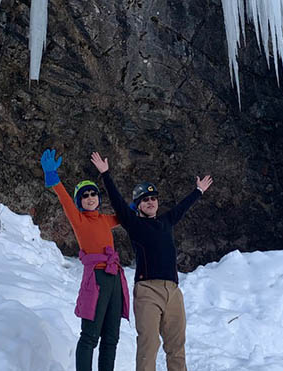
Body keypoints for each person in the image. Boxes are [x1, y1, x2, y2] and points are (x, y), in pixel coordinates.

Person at [89, 151, 213, 371]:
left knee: (176, 346)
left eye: (153, 198)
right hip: (147, 290)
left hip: (173, 290)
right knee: (148, 345)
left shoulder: (166, 221)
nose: (150, 202)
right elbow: (117, 203)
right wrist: (106, 175)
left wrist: (198, 191)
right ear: (138, 205)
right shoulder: (134, 224)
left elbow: (182, 208)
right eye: (145, 200)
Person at [40, 149, 129, 371]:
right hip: (96, 278)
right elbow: (64, 200)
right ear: (81, 201)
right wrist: (53, 177)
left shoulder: (106, 220)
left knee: (111, 337)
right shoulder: (79, 219)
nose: (90, 198)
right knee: (90, 335)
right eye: (85, 195)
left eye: (93, 194)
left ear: (99, 198)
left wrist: (139, 204)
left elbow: (127, 215)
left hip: (115, 278)